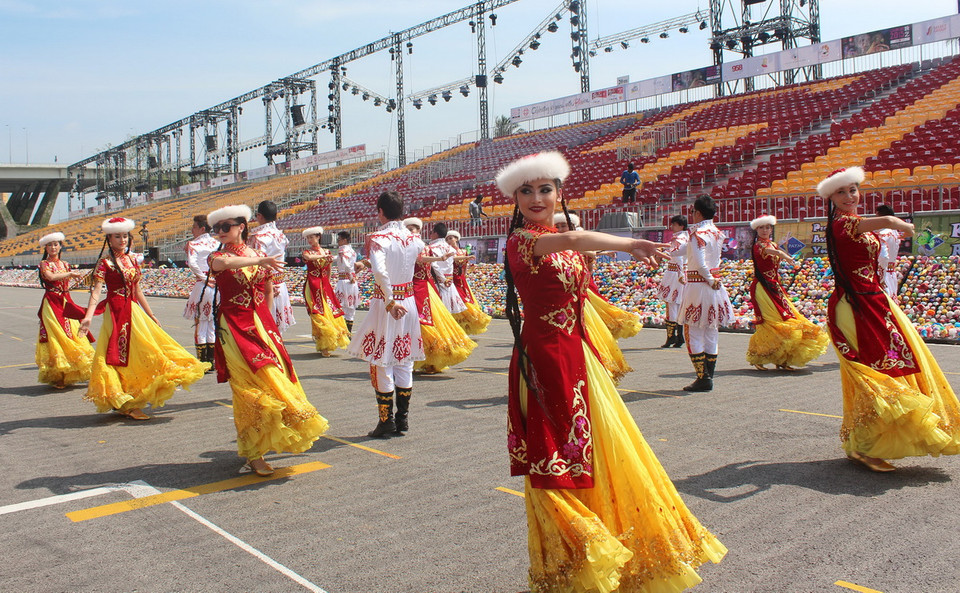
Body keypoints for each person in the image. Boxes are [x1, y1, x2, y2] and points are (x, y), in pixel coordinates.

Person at [500, 151, 725, 592]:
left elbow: (577, 247)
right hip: (544, 360)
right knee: (557, 458)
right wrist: (630, 243)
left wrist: (613, 247)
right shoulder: (521, 241)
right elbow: (572, 242)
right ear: (516, 198)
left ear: (558, 193)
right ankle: (576, 561)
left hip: (577, 358)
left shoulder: (557, 238)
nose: (536, 197)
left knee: (597, 453)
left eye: (545, 189)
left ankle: (606, 550)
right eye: (525, 190)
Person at [820, 167, 960, 472]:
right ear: (830, 197)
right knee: (872, 371)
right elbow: (863, 228)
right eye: (841, 192)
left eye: (853, 189)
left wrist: (893, 225)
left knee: (891, 365)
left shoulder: (858, 224)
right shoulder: (840, 226)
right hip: (854, 305)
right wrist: (892, 221)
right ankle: (866, 445)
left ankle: (864, 442)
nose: (849, 196)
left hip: (874, 300)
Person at [207, 205, 328, 476]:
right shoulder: (218, 256)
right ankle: (253, 452)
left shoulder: (260, 255)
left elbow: (269, 290)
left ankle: (266, 439)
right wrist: (258, 262)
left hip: (262, 325)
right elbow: (223, 265)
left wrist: (271, 324)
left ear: (242, 226)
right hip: (234, 326)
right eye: (217, 229)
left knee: (275, 377)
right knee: (245, 385)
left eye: (226, 227)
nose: (221, 232)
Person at [80, 217, 207, 420]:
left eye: (125, 236)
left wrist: (151, 314)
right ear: (109, 239)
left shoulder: (130, 260)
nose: (122, 240)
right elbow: (96, 291)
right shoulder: (106, 263)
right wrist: (88, 317)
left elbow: (137, 289)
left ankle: (131, 398)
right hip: (116, 313)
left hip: (133, 310)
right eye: (117, 236)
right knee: (124, 354)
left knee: (147, 350)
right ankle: (128, 401)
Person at [346, 193, 426, 438]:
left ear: (380, 211)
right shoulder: (413, 238)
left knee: (382, 359)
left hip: (387, 302)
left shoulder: (379, 238)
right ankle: (402, 420)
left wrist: (390, 300)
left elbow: (381, 271)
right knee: (404, 360)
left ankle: (386, 421)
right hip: (409, 299)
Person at [553, 212, 632, 384]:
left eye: (563, 226)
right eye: (557, 226)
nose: (560, 229)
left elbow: (591, 253)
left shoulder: (575, 241)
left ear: (572, 226)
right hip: (563, 299)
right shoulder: (554, 243)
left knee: (588, 331)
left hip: (582, 290)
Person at [745, 215, 828, 371]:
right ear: (757, 230)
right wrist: (783, 255)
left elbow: (772, 251)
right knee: (770, 322)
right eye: (761, 227)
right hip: (763, 288)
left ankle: (781, 359)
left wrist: (783, 253)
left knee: (786, 319)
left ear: (771, 229)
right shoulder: (759, 246)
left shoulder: (774, 244)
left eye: (767, 227)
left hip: (775, 287)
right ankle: (759, 357)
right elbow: (767, 251)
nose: (765, 230)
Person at [404, 218, 477, 374]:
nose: (413, 232)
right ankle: (426, 358)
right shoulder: (428, 246)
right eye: (410, 229)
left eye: (415, 229)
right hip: (429, 284)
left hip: (428, 285)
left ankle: (428, 357)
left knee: (427, 321)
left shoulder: (424, 246)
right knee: (435, 319)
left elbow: (426, 261)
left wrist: (442, 272)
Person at [679, 195, 735, 392]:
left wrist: (709, 279)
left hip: (698, 284)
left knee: (693, 330)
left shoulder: (697, 233)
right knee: (711, 330)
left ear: (698, 213)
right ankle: (708, 375)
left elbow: (700, 262)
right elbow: (705, 257)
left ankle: (703, 377)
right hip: (715, 285)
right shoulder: (717, 233)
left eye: (693, 212)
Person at [35, 231, 95, 389]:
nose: (53, 247)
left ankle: (78, 368)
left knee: (74, 333)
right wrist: (69, 274)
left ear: (60, 246)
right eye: (50, 245)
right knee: (57, 335)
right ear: (46, 248)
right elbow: (51, 277)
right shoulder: (44, 264)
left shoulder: (65, 264)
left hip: (66, 301)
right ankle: (59, 375)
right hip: (52, 302)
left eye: (56, 244)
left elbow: (67, 283)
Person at [301, 226, 350, 356]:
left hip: (324, 285)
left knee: (330, 311)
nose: (310, 240)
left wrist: (327, 283)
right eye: (308, 238)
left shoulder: (327, 252)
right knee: (316, 312)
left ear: (318, 237)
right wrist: (323, 255)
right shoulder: (308, 252)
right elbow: (308, 257)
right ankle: (324, 344)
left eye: (312, 237)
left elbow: (328, 269)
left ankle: (328, 342)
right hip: (311, 284)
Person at [248, 200, 296, 333]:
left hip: (264, 285)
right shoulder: (281, 235)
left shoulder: (258, 237)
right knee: (276, 331)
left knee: (263, 328)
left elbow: (256, 264)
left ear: (259, 216)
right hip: (280, 283)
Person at [183, 214, 220, 367]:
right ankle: (211, 359)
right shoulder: (216, 243)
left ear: (202, 228)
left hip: (203, 284)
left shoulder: (194, 244)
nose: (192, 230)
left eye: (194, 227)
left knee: (200, 323)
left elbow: (192, 263)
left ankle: (202, 360)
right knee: (211, 322)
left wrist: (204, 278)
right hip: (217, 285)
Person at [446, 230, 492, 335]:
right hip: (452, 280)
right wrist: (466, 257)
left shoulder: (463, 251)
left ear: (456, 239)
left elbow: (465, 266)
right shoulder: (448, 251)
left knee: (465, 300)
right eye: (447, 239)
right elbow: (453, 258)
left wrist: (467, 272)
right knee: (457, 301)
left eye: (451, 238)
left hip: (461, 279)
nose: (449, 240)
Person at [657, 215, 689, 348]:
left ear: (681, 225)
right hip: (681, 273)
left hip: (674, 274)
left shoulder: (678, 239)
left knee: (671, 304)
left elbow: (678, 258)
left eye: (674, 224)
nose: (672, 227)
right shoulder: (687, 237)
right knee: (678, 304)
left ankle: (672, 336)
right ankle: (679, 336)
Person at [875, 204, 902, 301]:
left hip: (883, 273)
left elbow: (883, 256)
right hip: (891, 273)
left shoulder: (883, 233)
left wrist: (881, 277)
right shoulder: (895, 232)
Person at [334, 230, 359, 333]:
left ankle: (342, 331)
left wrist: (349, 275)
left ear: (344, 240)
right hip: (352, 281)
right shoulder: (352, 251)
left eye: (339, 240)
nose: (338, 242)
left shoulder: (342, 250)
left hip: (344, 280)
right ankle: (348, 332)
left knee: (340, 306)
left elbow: (346, 264)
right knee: (350, 308)